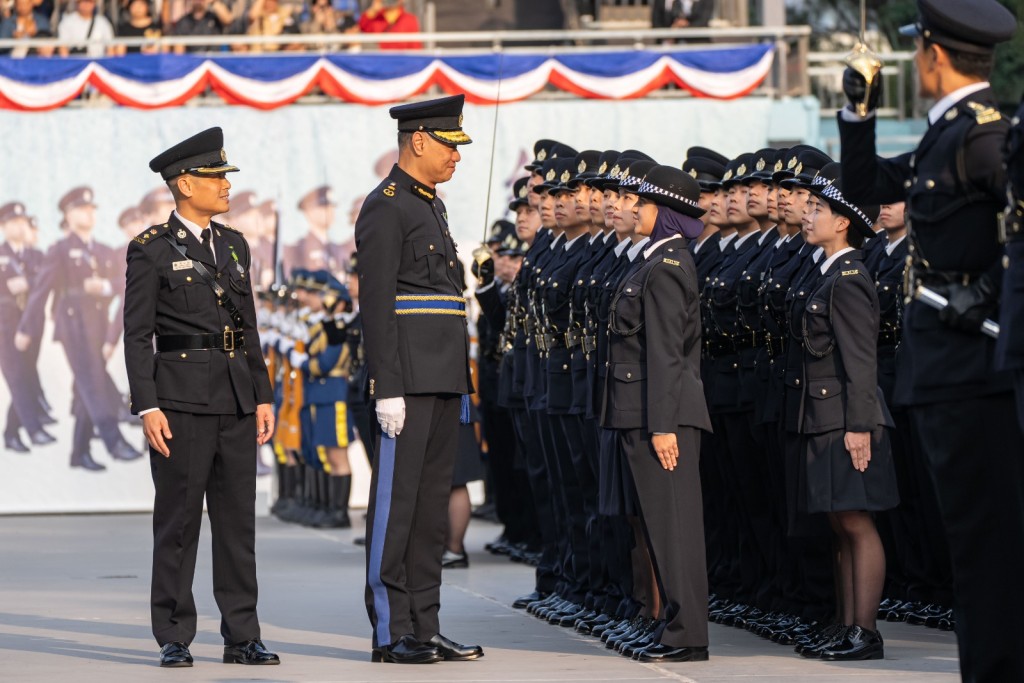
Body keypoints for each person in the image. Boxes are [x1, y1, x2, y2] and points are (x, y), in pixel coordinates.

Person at [838, 0, 1024, 679]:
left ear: (934, 57)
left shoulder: (983, 136)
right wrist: (859, 114)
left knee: (986, 550)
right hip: (945, 374)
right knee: (972, 547)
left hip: (974, 370)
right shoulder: (943, 135)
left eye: (917, 51)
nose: (915, 61)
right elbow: (859, 200)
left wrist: (991, 295)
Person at [123, 127, 279, 668]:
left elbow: (249, 327)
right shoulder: (150, 250)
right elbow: (137, 334)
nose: (226, 186)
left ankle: (243, 634)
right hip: (181, 403)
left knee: (239, 523)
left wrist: (263, 395)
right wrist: (147, 405)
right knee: (179, 522)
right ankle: (173, 633)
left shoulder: (234, 245)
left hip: (236, 399)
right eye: (216, 177)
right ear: (185, 183)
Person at [355, 94, 482, 665]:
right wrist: (389, 385)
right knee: (396, 507)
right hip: (406, 383)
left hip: (442, 378)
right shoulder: (387, 206)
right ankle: (391, 631)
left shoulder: (431, 204)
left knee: (431, 511)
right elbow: (378, 302)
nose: (457, 156)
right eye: (450, 145)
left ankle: (425, 625)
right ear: (421, 140)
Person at [601, 164, 711, 663]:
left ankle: (688, 633)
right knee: (660, 524)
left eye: (642, 204)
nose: (633, 209)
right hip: (643, 410)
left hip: (662, 415)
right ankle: (673, 624)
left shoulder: (667, 267)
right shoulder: (654, 261)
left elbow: (667, 353)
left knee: (675, 526)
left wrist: (663, 425)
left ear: (664, 214)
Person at [792, 174, 898, 661]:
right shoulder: (829, 273)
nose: (807, 215)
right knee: (839, 522)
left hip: (847, 419)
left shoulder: (851, 279)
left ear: (842, 223)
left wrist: (859, 427)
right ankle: (846, 623)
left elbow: (860, 361)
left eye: (816, 209)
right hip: (826, 415)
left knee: (857, 521)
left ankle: (866, 631)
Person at [15, 187, 141, 472]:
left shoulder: (103, 251)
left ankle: (79, 451)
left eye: (92, 208)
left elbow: (122, 286)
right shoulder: (59, 250)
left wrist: (104, 288)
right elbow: (40, 292)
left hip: (96, 325)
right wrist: (25, 328)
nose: (89, 212)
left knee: (88, 384)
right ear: (68, 216)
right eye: (82, 209)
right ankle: (114, 441)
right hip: (72, 325)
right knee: (93, 383)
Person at [1, 202, 56, 454]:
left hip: (31, 326)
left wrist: (27, 283)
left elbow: (46, 283)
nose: (19, 226)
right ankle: (34, 430)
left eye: (22, 221)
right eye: (13, 222)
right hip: (4, 327)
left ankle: (11, 433)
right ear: (3, 227)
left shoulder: (36, 255)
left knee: (24, 377)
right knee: (17, 378)